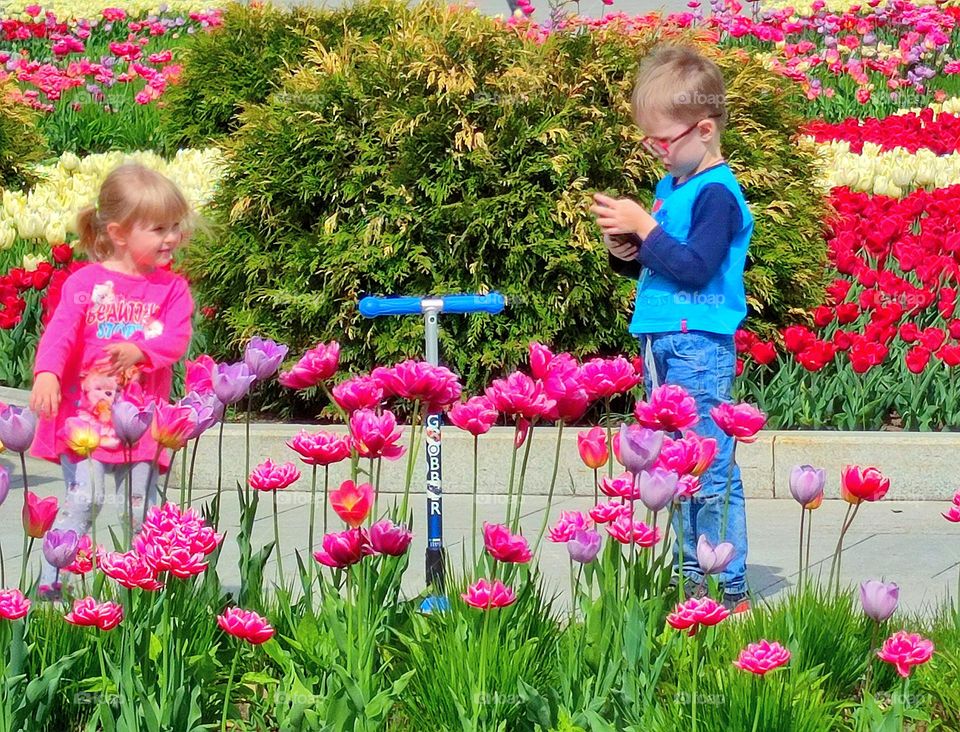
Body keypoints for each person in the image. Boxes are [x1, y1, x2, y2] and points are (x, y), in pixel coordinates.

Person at [589, 45, 754, 613]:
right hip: (663, 338)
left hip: (699, 344)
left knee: (706, 466)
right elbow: (660, 261)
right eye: (647, 141)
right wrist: (626, 246)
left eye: (662, 141)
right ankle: (692, 581)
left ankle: (727, 588)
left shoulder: (717, 194)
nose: (654, 153)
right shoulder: (674, 189)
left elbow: (694, 266)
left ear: (703, 130)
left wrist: (646, 228)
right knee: (674, 464)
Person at [30, 162, 196, 599]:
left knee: (141, 509)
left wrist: (142, 352)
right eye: (159, 228)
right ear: (121, 233)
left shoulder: (172, 289)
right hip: (85, 422)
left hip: (141, 425)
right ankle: (51, 584)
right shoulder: (86, 283)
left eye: (175, 226)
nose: (172, 238)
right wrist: (46, 373)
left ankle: (146, 588)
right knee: (85, 499)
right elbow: (61, 333)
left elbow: (177, 339)